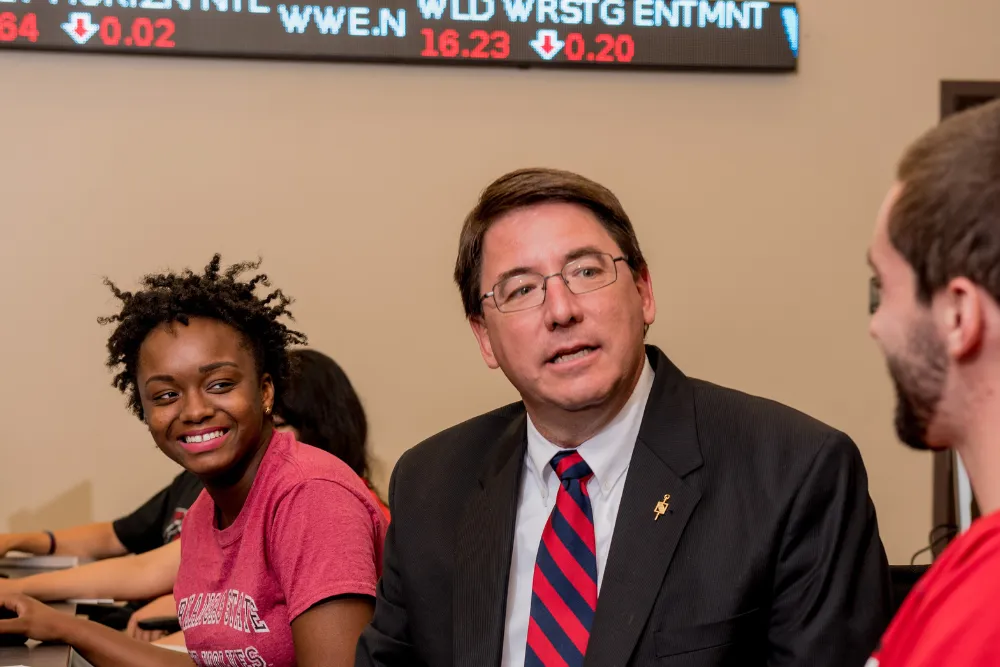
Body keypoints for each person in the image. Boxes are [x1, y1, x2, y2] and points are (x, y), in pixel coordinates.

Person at [356, 167, 891, 667]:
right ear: (484, 337)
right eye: (521, 289)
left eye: (586, 271)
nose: (561, 310)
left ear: (644, 291)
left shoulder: (793, 472)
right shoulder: (431, 486)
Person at [0, 255, 387, 667]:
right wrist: (63, 627)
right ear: (145, 411)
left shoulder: (311, 496)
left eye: (220, 384)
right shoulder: (205, 514)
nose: (194, 410)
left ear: (266, 392)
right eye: (166, 395)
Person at [865, 99, 1000, 666]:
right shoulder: (968, 567)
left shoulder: (983, 618)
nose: (876, 326)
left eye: (883, 287)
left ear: (958, 316)